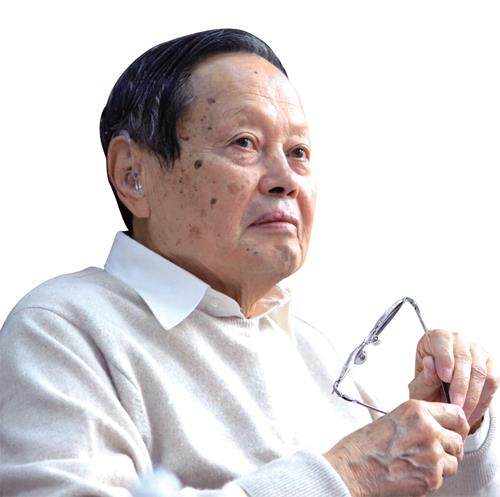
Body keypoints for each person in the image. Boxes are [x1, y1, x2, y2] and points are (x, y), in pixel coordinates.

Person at [0, 28, 498, 497]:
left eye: (298, 151)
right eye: (245, 143)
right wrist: (347, 473)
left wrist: (456, 429)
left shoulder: (313, 351)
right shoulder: (62, 330)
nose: (286, 179)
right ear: (134, 174)